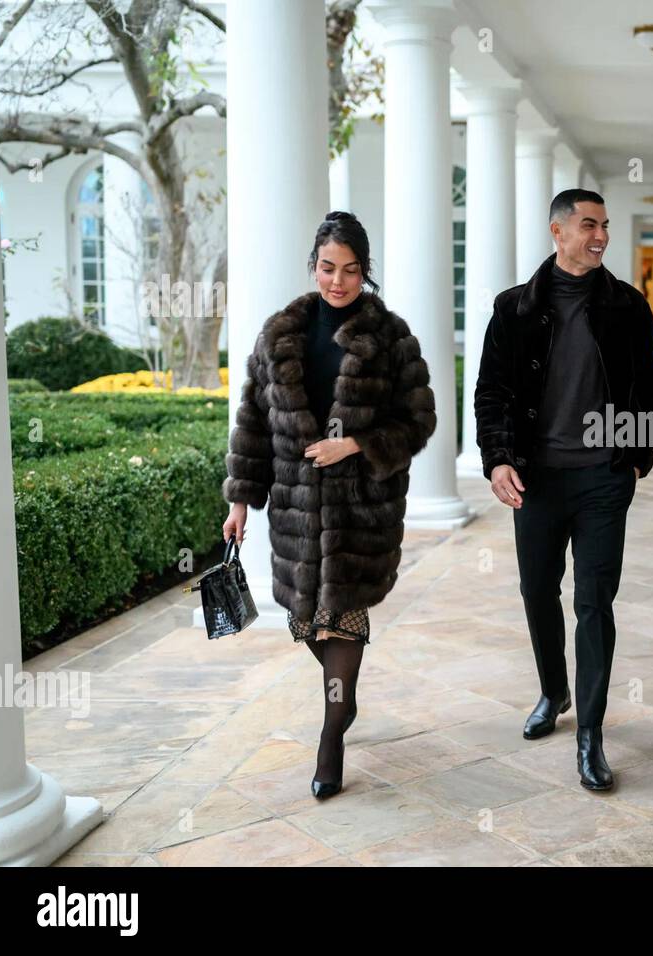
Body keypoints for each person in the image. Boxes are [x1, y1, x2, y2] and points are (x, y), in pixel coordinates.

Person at [221, 211, 437, 800]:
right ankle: (344, 697)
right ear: (312, 265)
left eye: (350, 270)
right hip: (295, 510)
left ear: (366, 272)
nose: (337, 281)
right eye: (327, 268)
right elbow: (252, 423)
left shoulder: (390, 337)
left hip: (360, 507)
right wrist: (241, 500)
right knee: (304, 619)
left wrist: (358, 445)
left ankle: (332, 734)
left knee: (343, 615)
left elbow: (419, 419)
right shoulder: (278, 335)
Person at [474, 189, 653, 792]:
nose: (601, 235)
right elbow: (491, 394)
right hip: (537, 478)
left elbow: (650, 390)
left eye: (604, 225)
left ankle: (591, 733)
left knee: (594, 602)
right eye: (589, 225)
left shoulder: (628, 306)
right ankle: (553, 691)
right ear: (557, 232)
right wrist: (498, 459)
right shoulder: (514, 309)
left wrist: (636, 458)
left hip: (604, 477)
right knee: (537, 592)